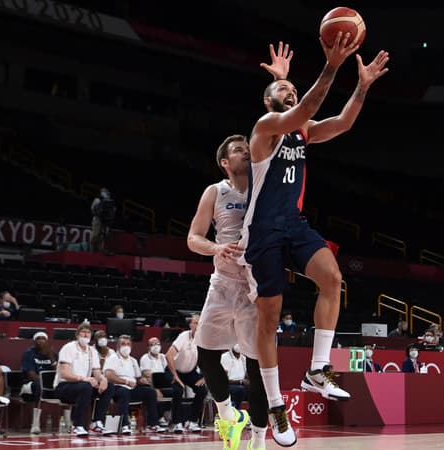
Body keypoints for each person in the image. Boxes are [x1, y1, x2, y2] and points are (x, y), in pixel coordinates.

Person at [237, 36, 389, 431]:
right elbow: (307, 106)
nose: (290, 92)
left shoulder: (302, 132)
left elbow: (341, 123)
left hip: (294, 224)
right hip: (262, 232)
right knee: (268, 318)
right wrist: (332, 65)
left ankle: (318, 369)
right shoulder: (264, 127)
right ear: (269, 102)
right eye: (283, 90)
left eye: (292, 88)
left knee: (333, 277)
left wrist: (362, 86)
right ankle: (273, 405)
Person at [186, 43, 297, 448]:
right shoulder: (214, 191)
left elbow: (284, 126)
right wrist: (215, 248)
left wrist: (277, 83)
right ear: (223, 162)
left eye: (245, 148)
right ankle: (227, 414)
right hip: (223, 279)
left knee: (256, 363)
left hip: (255, 284)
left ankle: (260, 435)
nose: (244, 152)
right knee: (205, 354)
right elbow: (193, 238)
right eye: (237, 150)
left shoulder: (264, 182)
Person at [53, 322, 116, 436]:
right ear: (77, 335)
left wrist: (103, 380)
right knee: (86, 386)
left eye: (88, 332)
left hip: (82, 386)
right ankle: (78, 425)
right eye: (83, 332)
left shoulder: (92, 351)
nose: (86, 335)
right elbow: (65, 374)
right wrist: (85, 379)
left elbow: (96, 371)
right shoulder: (69, 348)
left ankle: (97, 422)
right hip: (64, 387)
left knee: (109, 387)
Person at [103, 335, 166, 433]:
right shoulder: (113, 358)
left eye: (128, 344)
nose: (126, 346)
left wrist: (142, 380)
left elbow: (138, 376)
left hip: (132, 388)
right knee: (124, 392)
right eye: (123, 344)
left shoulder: (133, 360)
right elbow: (109, 375)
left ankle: (152, 424)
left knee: (150, 392)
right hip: (117, 388)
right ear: (118, 346)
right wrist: (125, 382)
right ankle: (125, 425)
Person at [165, 314, 206, 434]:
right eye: (195, 323)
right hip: (174, 370)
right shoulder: (183, 336)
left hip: (190, 372)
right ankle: (176, 422)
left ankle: (192, 421)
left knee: (202, 390)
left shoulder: (203, 339)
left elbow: (209, 360)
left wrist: (204, 377)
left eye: (200, 323)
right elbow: (169, 355)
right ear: (190, 325)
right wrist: (175, 376)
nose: (198, 325)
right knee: (178, 390)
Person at [20, 331, 57, 434]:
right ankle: (35, 424)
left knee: (66, 387)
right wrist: (46, 384)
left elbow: (59, 372)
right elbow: (31, 374)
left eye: (43, 338)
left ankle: (68, 424)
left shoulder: (52, 354)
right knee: (39, 386)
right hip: (29, 384)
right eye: (38, 338)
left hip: (50, 384)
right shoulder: (29, 353)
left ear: (47, 341)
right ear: (34, 341)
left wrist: (51, 357)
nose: (41, 341)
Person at [90, 187, 115, 252]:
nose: (104, 193)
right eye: (102, 191)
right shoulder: (97, 200)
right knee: (95, 235)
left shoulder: (110, 202)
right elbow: (92, 210)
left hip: (106, 221)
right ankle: (92, 249)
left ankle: (100, 250)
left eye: (105, 192)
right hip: (97, 220)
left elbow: (112, 212)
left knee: (103, 235)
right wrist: (98, 211)